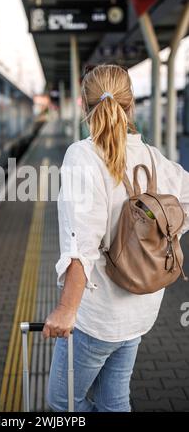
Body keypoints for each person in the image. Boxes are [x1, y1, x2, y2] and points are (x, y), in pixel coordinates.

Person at [43, 64, 189, 412]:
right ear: (131, 105)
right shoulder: (153, 158)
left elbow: (82, 244)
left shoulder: (83, 156)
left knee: (62, 402)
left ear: (83, 105)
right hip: (141, 309)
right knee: (114, 400)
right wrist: (164, 234)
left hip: (98, 316)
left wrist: (66, 310)